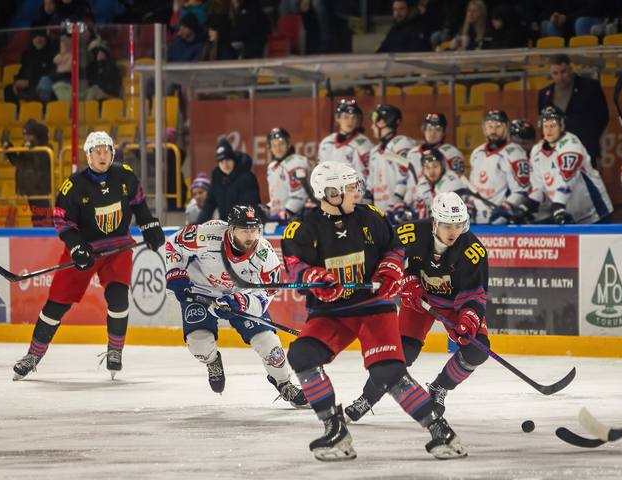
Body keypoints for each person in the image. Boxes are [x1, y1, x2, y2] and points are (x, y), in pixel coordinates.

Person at [281, 161, 466, 461]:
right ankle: (336, 431)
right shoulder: (301, 230)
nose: (356, 192)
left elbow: (395, 247)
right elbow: (295, 268)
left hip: (373, 306)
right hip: (331, 312)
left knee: (388, 372)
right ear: (330, 193)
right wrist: (314, 279)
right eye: (349, 188)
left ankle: (441, 431)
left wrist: (390, 269)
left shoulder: (370, 216)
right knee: (302, 355)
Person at [12, 131, 166, 380]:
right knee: (56, 304)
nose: (102, 155)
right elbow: (63, 222)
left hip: (117, 248)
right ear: (89, 156)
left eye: (106, 150)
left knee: (118, 298)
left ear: (112, 153)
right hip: (85, 249)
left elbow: (139, 205)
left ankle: (115, 351)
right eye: (97, 151)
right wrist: (76, 246)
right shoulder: (73, 186)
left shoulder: (125, 175)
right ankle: (33, 355)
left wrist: (149, 225)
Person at [345, 192, 489, 422]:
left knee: (478, 349)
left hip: (454, 306)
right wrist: (404, 279)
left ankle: (439, 387)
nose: (453, 232)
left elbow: (475, 294)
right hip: (418, 301)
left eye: (458, 225)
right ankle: (368, 398)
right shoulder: (411, 233)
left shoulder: (473, 251)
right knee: (402, 353)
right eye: (447, 225)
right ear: (434, 222)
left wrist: (468, 318)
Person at [165, 205, 308, 406]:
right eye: (244, 230)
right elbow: (174, 244)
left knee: (270, 346)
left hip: (240, 298)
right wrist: (175, 273)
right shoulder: (207, 234)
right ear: (231, 230)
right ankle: (212, 361)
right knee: (198, 343)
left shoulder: (265, 254)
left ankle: (284, 383)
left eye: (254, 230)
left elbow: (267, 294)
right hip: (200, 292)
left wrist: (241, 302)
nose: (250, 236)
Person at [528, 106, 613, 224]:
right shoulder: (536, 151)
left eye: (553, 126)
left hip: (595, 213)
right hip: (567, 214)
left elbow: (567, 178)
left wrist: (558, 204)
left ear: (562, 126)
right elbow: (539, 186)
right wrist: (529, 204)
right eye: (545, 126)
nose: (549, 130)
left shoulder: (571, 143)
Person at [538, 54, 609, 168]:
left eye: (563, 72)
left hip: (585, 147)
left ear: (571, 69)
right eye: (555, 73)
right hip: (556, 150)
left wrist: (590, 136)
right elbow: (543, 121)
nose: (560, 77)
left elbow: (603, 116)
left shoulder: (590, 87)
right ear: (550, 74)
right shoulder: (544, 94)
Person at [467, 110, 531, 224]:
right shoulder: (477, 153)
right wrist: (470, 205)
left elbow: (522, 190)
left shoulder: (515, 153)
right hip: (478, 221)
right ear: (484, 128)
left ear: (506, 128)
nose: (493, 130)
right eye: (490, 126)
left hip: (503, 222)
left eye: (498, 126)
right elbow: (473, 188)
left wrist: (506, 208)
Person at [195, 138, 262, 224]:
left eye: (228, 160)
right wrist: (198, 225)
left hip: (246, 225)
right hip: (226, 226)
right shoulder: (217, 179)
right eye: (221, 162)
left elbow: (249, 206)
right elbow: (208, 206)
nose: (225, 164)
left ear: (233, 159)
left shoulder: (246, 178)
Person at [366, 103, 416, 215]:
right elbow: (370, 185)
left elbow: (407, 178)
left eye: (374, 123)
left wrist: (397, 202)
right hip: (380, 212)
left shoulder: (401, 144)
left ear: (382, 123)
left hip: (399, 212)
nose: (371, 127)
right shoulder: (374, 152)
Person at [405, 112, 465, 202]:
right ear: (424, 130)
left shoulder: (451, 152)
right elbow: (410, 183)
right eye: (429, 129)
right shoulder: (413, 154)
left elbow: (459, 181)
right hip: (417, 202)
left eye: (438, 130)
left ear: (443, 132)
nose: (433, 133)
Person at [4, 119, 54, 226]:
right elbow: (19, 162)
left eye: (29, 135)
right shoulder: (27, 146)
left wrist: (32, 147)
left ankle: (49, 233)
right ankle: (39, 232)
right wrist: (10, 151)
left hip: (40, 187)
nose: (26, 137)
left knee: (44, 215)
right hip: (29, 187)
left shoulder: (46, 147)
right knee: (36, 215)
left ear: (36, 135)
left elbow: (40, 163)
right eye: (24, 135)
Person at [317, 98, 373, 182]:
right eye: (345, 117)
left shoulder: (364, 144)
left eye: (353, 117)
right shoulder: (326, 143)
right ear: (337, 118)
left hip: (354, 189)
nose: (350, 121)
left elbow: (370, 175)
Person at [265, 127, 311, 221]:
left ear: (288, 144)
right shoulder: (272, 167)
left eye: (281, 143)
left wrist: (287, 212)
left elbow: (300, 196)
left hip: (299, 218)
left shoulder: (297, 163)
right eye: (274, 145)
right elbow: (278, 197)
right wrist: (268, 207)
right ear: (270, 148)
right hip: (281, 217)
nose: (278, 148)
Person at [408, 149, 466, 220]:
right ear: (423, 169)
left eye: (435, 166)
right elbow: (416, 207)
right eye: (427, 167)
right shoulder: (422, 184)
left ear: (442, 165)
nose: (431, 172)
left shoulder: (452, 182)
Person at [3, 28, 56, 105]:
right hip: (26, 85)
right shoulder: (27, 54)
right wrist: (17, 82)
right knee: (8, 89)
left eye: (41, 36)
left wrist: (30, 82)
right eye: (35, 37)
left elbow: (49, 74)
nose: (38, 39)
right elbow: (22, 71)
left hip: (39, 84)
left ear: (46, 38)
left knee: (38, 86)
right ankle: (17, 111)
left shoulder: (51, 53)